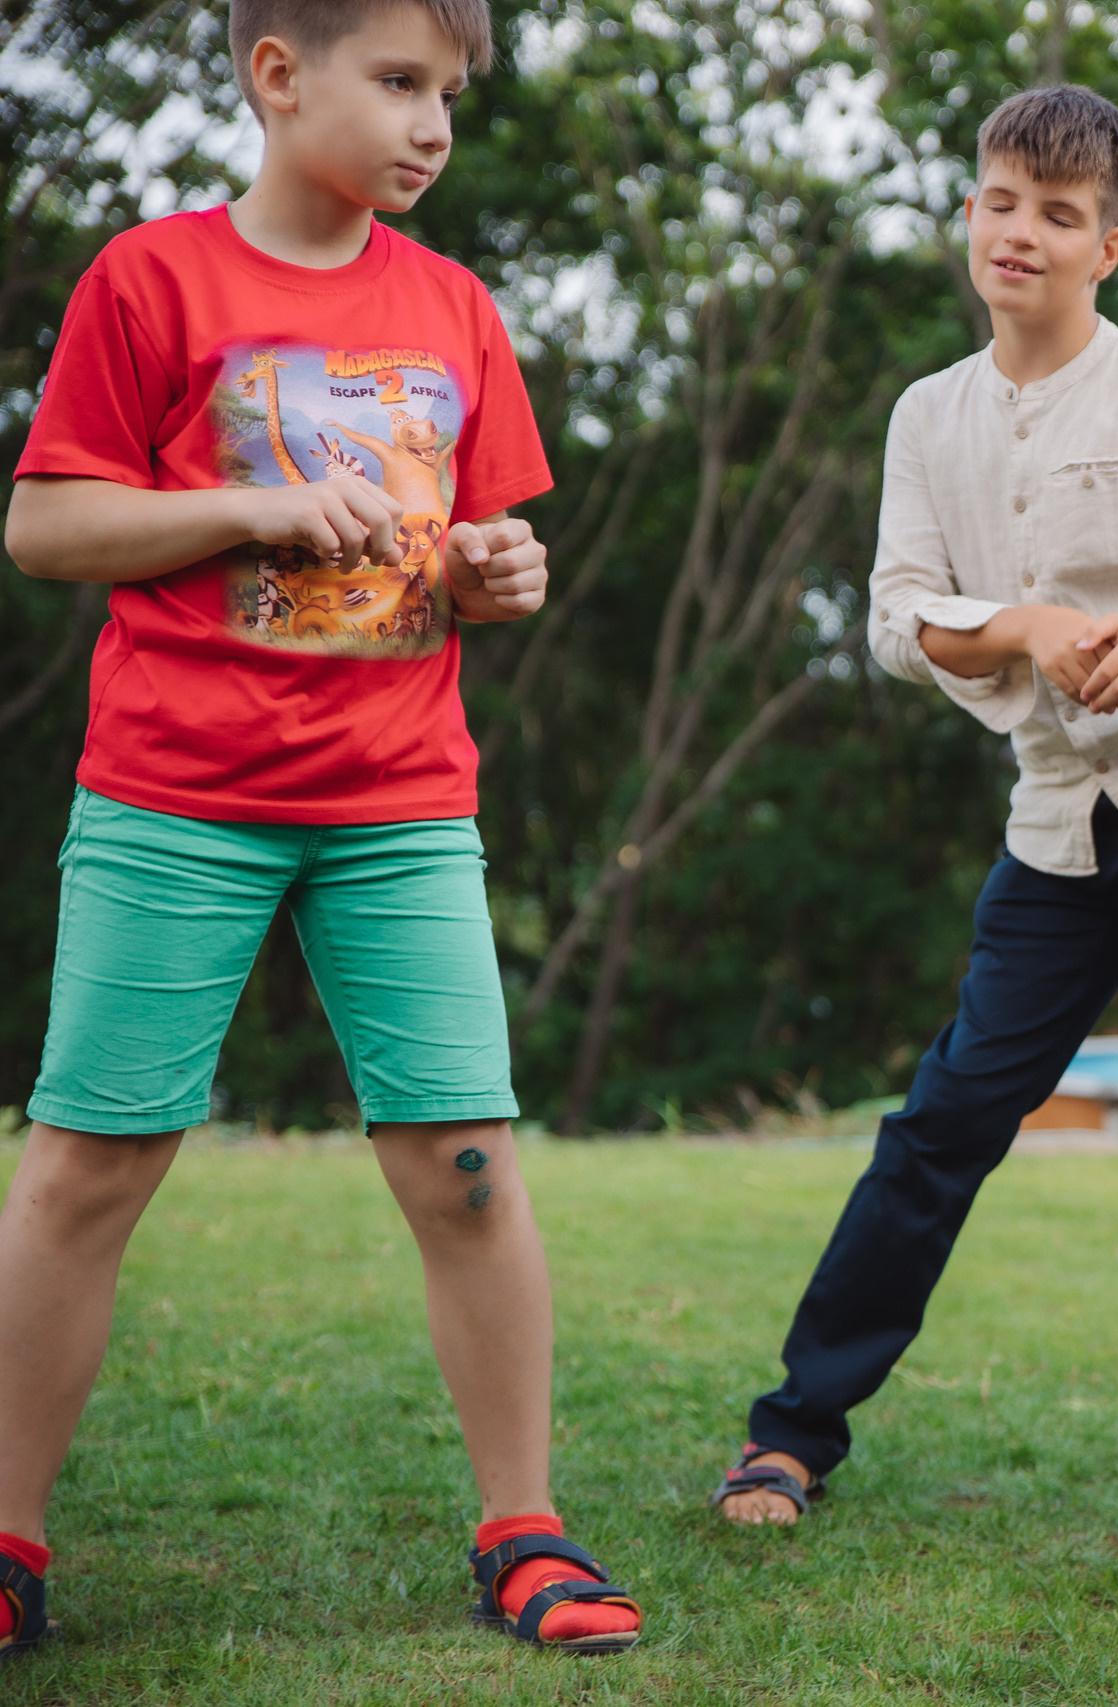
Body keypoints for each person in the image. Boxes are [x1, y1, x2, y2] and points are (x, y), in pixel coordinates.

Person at [0, 0, 640, 1657]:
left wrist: (500, 571)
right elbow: (46, 524)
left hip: (398, 804)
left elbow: (476, 547)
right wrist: (254, 504)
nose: (435, 124)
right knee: (88, 1165)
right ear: (279, 77)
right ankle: (7, 1541)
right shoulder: (150, 280)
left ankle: (525, 1531)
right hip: (172, 796)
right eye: (402, 82)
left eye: (452, 93)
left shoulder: (455, 308)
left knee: (469, 1169)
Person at [713, 85, 1118, 1527]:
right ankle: (791, 1434)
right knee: (944, 1120)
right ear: (970, 214)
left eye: (1058, 214)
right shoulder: (929, 415)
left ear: (1107, 248)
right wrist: (1025, 627)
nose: (1020, 233)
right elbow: (895, 617)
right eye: (1000, 202)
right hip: (1054, 825)